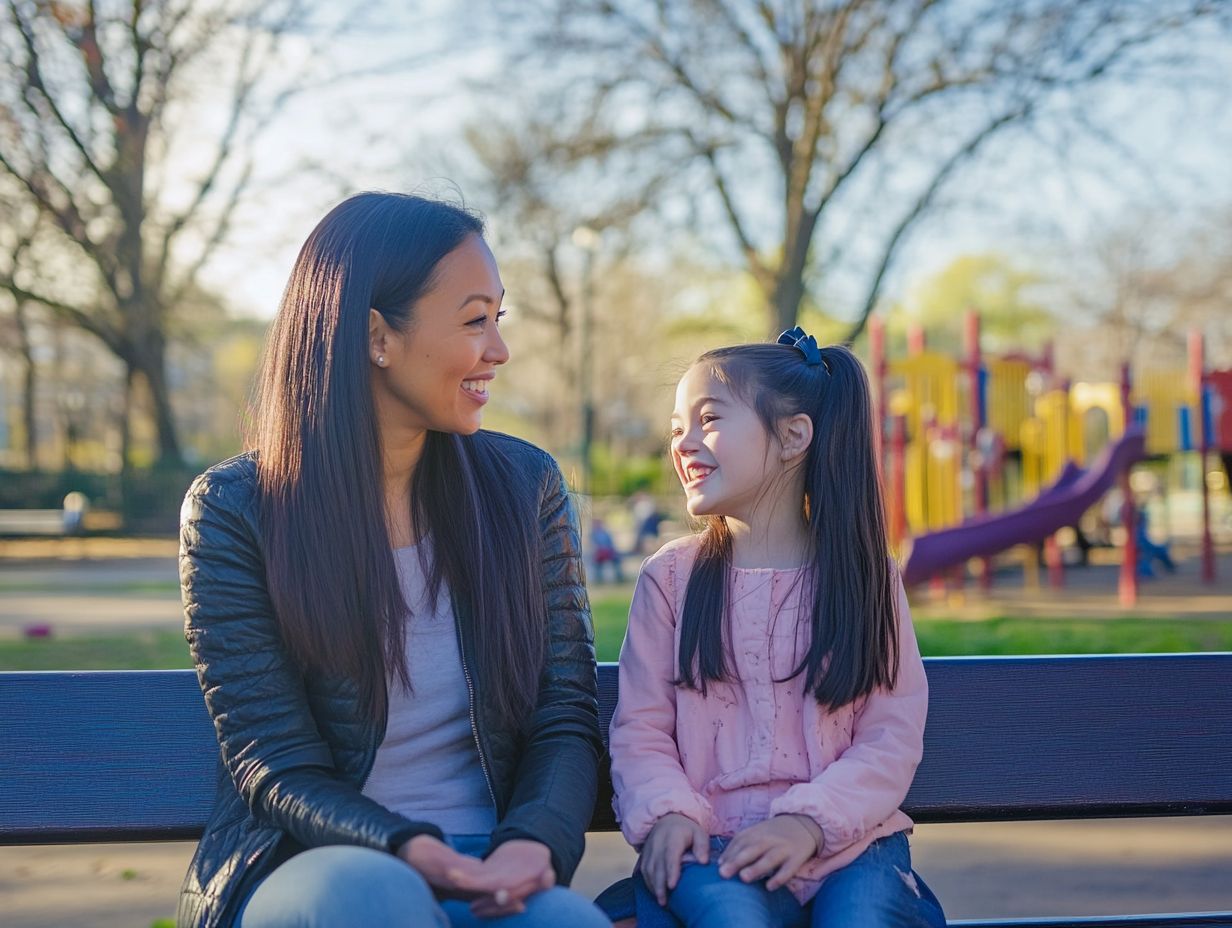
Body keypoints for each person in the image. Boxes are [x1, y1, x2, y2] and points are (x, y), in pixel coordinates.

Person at [177, 192, 607, 928]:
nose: (498, 351)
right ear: (377, 335)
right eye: (476, 320)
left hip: (487, 863)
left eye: (498, 320)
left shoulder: (525, 488)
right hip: (305, 865)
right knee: (375, 900)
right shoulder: (233, 510)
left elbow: (563, 715)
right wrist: (410, 848)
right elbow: (273, 762)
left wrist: (533, 843)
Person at [607, 328, 946, 928]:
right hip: (710, 843)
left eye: (707, 419)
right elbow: (642, 729)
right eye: (675, 428)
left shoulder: (863, 578)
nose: (682, 443)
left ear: (793, 435)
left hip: (852, 843)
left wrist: (809, 822)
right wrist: (669, 815)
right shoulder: (672, 579)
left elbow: (890, 733)